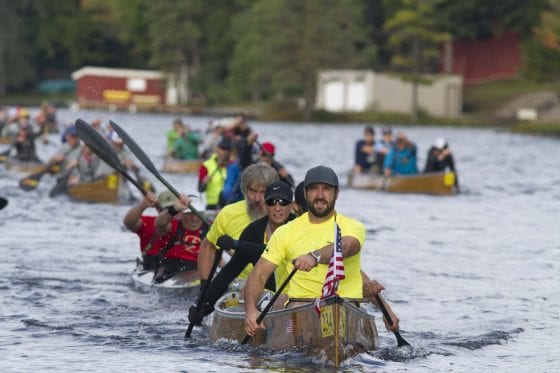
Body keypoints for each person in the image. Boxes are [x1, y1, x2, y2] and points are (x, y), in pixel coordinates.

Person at [244, 165, 366, 337]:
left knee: (337, 308)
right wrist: (250, 311)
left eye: (327, 189)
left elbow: (348, 246)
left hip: (345, 306)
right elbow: (259, 275)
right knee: (296, 309)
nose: (321, 195)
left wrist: (315, 257)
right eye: (314, 189)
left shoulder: (352, 226)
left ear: (337, 194)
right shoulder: (286, 232)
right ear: (306, 193)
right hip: (300, 308)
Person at [189, 181, 296, 322]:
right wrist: (205, 304)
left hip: (296, 297)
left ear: (291, 205)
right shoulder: (253, 231)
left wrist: (237, 244)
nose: (277, 208)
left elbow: (278, 251)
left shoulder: (299, 227)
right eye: (271, 202)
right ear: (265, 205)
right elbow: (231, 270)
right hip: (267, 298)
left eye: (283, 202)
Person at [195, 163, 279, 299]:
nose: (257, 199)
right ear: (244, 190)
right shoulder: (228, 213)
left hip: (278, 282)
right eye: (252, 191)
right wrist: (205, 287)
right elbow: (207, 247)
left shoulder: (285, 214)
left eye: (263, 193)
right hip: (238, 283)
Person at [154, 191, 205, 283]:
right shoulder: (172, 226)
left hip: (200, 270)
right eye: (190, 214)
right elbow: (159, 224)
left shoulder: (210, 228)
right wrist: (173, 209)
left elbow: (219, 257)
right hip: (172, 271)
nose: (194, 218)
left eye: (198, 214)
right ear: (181, 214)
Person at [197, 136, 232, 210]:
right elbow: (200, 189)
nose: (225, 152)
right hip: (212, 206)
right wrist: (204, 183)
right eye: (222, 148)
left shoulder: (234, 166)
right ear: (217, 149)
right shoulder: (206, 166)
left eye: (227, 149)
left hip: (230, 205)